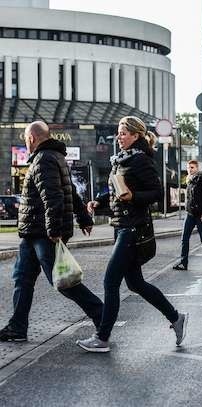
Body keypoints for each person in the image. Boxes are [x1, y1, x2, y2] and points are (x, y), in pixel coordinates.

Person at [77, 116, 188, 352]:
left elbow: (157, 193)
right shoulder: (121, 160)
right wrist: (99, 201)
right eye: (118, 132)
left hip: (133, 229)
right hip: (121, 227)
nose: (119, 136)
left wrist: (134, 198)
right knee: (136, 283)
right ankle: (176, 318)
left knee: (110, 281)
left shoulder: (140, 161)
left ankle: (102, 337)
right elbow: (119, 191)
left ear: (136, 136)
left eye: (124, 133)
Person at [0, 121, 103, 342]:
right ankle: (17, 328)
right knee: (22, 278)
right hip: (32, 233)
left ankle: (102, 316)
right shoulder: (54, 157)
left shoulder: (44, 159)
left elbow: (54, 196)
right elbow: (71, 191)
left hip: (44, 233)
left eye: (26, 139)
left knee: (64, 281)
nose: (25, 143)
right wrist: (84, 217)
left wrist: (54, 230)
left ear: (31, 138)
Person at [173, 160, 202, 271]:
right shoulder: (189, 180)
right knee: (184, 238)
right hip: (190, 214)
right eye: (188, 168)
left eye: (192, 167)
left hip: (201, 215)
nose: (190, 169)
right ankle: (183, 263)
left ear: (197, 168)